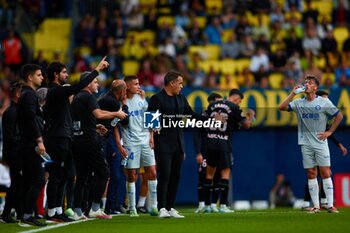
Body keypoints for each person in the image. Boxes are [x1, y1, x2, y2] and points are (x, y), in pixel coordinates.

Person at [44, 56, 110, 222]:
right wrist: (97, 70)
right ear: (55, 74)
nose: (66, 75)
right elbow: (79, 86)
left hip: (65, 137)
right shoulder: (56, 91)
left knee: (66, 175)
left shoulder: (59, 94)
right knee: (57, 176)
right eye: (64, 72)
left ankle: (59, 210)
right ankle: (52, 212)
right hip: (57, 138)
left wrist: (93, 127)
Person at [147, 70, 215, 218]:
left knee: (175, 176)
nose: (181, 86)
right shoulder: (156, 99)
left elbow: (191, 115)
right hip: (163, 143)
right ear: (171, 83)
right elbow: (150, 121)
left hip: (178, 143)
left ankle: (170, 207)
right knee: (164, 174)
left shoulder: (181, 99)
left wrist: (209, 119)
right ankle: (161, 208)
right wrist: (152, 133)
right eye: (180, 83)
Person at [279, 75, 343, 213]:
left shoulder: (324, 101)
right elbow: (281, 107)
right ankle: (315, 206)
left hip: (320, 142)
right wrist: (292, 93)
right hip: (305, 143)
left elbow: (339, 115)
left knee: (325, 172)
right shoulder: (299, 103)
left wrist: (330, 132)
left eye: (310, 83)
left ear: (315, 87)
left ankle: (330, 205)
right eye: (305, 82)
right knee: (311, 173)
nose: (306, 84)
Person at [70, 71, 127, 220]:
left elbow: (80, 121)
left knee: (82, 177)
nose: (98, 84)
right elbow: (99, 115)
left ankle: (77, 211)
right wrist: (117, 114)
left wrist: (95, 127)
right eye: (95, 82)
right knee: (104, 173)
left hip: (77, 141)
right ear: (88, 83)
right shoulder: (89, 97)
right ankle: (95, 208)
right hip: (90, 142)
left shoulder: (76, 98)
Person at [202, 89, 255, 213]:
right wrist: (251, 116)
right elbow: (246, 125)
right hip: (224, 143)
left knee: (209, 175)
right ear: (236, 99)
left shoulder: (212, 105)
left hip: (210, 142)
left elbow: (203, 121)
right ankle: (223, 206)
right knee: (225, 174)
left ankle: (207, 206)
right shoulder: (234, 108)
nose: (239, 104)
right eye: (239, 101)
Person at [302, 90, 348, 210]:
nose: (327, 102)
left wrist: (339, 144)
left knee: (319, 174)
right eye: (325, 99)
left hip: (320, 145)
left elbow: (329, 132)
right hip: (312, 145)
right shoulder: (313, 111)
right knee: (314, 174)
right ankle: (311, 202)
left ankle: (320, 202)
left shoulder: (323, 115)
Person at [120, 75, 158, 217]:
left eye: (138, 83)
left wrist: (152, 137)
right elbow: (118, 125)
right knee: (132, 175)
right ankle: (132, 208)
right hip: (130, 143)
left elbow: (151, 117)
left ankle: (154, 206)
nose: (139, 86)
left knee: (152, 172)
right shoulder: (121, 102)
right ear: (127, 86)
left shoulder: (142, 99)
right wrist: (120, 144)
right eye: (135, 84)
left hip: (145, 141)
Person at [16, 64, 47, 226]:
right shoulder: (29, 95)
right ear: (30, 77)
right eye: (39, 75)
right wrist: (39, 140)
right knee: (38, 180)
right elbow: (30, 119)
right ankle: (27, 215)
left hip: (26, 143)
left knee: (29, 180)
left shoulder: (27, 95)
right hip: (30, 144)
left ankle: (24, 215)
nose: (42, 77)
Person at [97, 79, 128, 215]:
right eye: (125, 91)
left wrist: (118, 145)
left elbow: (114, 124)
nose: (126, 93)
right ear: (121, 91)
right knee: (109, 174)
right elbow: (124, 120)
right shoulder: (112, 102)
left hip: (108, 138)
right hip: (102, 139)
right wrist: (125, 106)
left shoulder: (107, 98)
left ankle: (109, 206)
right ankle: (101, 206)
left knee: (113, 175)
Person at [194, 92, 223, 213]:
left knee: (217, 178)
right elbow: (196, 135)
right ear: (210, 102)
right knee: (203, 177)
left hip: (219, 150)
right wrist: (198, 152)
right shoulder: (202, 116)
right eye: (217, 102)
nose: (219, 105)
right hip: (205, 152)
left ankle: (213, 205)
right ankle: (202, 204)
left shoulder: (222, 116)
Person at [1, 82, 23, 223]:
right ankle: (9, 213)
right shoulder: (11, 112)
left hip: (16, 151)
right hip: (13, 152)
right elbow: (10, 136)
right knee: (17, 182)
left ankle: (13, 212)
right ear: (17, 94)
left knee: (18, 182)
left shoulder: (17, 111)